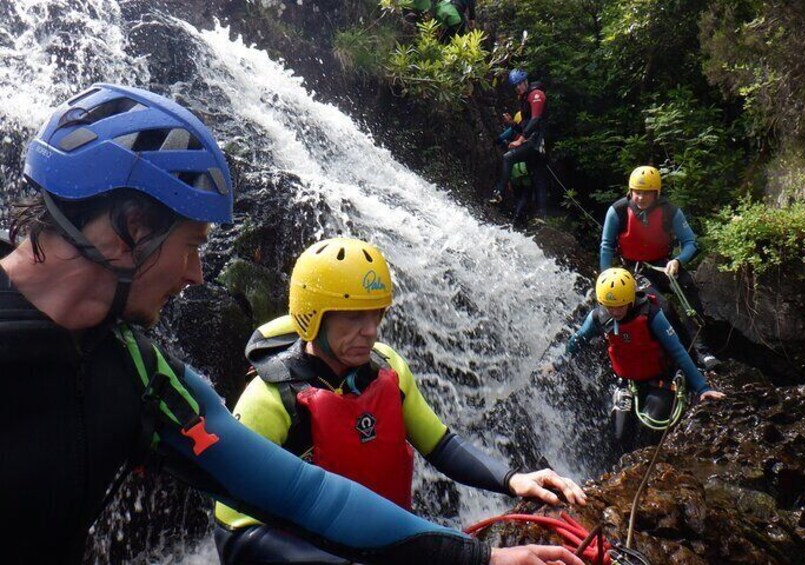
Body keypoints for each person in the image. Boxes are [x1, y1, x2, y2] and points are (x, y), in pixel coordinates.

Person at [0, 83, 583, 565]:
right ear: (129, 228)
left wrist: (479, 559)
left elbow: (305, 494)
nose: (199, 275)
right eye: (191, 246)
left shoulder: (142, 372)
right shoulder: (264, 388)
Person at [214, 237, 587, 564]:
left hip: (388, 546)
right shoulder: (270, 400)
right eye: (354, 317)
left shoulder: (387, 366)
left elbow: (441, 445)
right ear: (313, 317)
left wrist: (513, 480)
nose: (370, 331)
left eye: (377, 314)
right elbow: (235, 532)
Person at [565, 268, 725, 447]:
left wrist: (702, 388)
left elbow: (677, 350)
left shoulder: (651, 314)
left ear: (631, 300)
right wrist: (557, 365)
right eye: (610, 306)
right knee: (619, 437)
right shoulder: (598, 317)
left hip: (660, 381)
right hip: (628, 383)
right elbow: (578, 340)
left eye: (620, 305)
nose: (615, 312)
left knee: (651, 431)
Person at [600, 166, 720, 370]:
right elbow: (606, 246)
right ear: (630, 191)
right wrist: (605, 279)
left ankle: (702, 349)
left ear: (656, 193)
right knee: (662, 305)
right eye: (637, 192)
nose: (641, 197)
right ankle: (686, 355)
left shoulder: (670, 211)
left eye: (646, 193)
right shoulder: (618, 211)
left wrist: (678, 261)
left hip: (664, 265)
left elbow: (691, 242)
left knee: (688, 286)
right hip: (634, 270)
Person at [489, 69, 549, 223]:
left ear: (525, 82)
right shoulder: (524, 99)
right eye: (515, 86)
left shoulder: (536, 95)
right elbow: (524, 126)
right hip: (532, 142)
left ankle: (498, 192)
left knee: (508, 158)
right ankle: (540, 215)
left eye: (518, 85)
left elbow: (535, 120)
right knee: (537, 177)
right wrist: (512, 125)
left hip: (535, 142)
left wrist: (520, 139)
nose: (517, 88)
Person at [491, 112, 535, 226]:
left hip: (514, 168)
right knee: (526, 193)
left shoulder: (512, 130)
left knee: (517, 193)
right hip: (527, 168)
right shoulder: (533, 133)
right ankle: (518, 217)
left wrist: (505, 143)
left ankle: (500, 195)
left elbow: (498, 139)